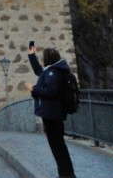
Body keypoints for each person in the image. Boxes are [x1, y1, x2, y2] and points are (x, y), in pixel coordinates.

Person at [27, 45, 76, 178]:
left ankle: (67, 174)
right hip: (54, 113)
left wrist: (34, 89)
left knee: (57, 145)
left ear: (47, 59)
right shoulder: (54, 70)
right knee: (58, 144)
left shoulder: (52, 73)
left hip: (52, 113)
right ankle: (66, 173)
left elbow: (51, 92)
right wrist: (32, 55)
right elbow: (39, 71)